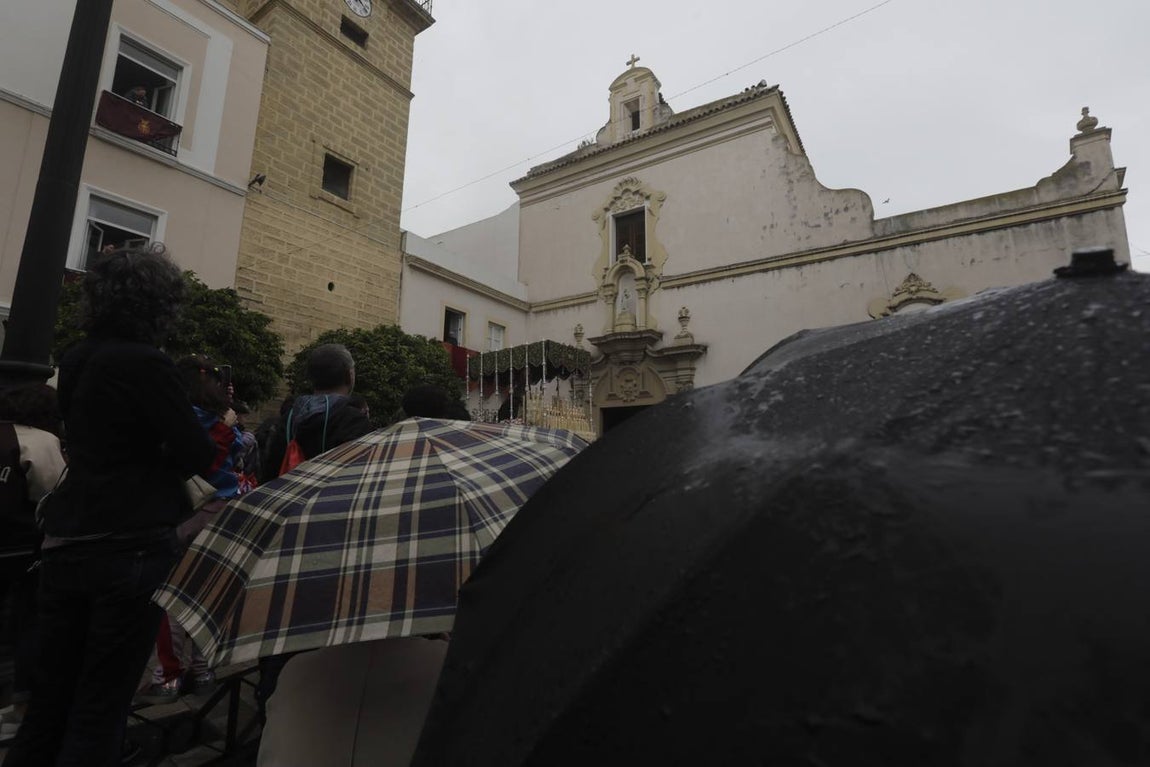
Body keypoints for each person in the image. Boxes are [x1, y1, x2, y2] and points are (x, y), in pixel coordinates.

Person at [3, 243, 214, 767]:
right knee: (101, 705)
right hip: (131, 543)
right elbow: (197, 452)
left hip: (69, 539)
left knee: (53, 700)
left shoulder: (75, 359)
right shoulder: (148, 362)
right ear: (159, 304)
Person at [254, 344, 373, 718]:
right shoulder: (353, 420)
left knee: (278, 621)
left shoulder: (284, 417)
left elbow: (266, 471)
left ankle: (269, 702)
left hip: (283, 531)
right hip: (330, 537)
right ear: (350, 377)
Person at [139, 356, 245, 704]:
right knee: (205, 592)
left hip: (185, 512)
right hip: (222, 509)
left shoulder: (174, 418)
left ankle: (169, 673)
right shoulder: (219, 422)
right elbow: (233, 453)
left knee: (170, 594)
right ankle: (202, 668)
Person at [0, 384, 66, 740]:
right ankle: (20, 705)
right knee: (28, 622)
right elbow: (54, 492)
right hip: (22, 550)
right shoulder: (39, 441)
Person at [260, 344, 373, 479]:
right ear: (350, 376)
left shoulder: (288, 418)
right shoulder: (354, 421)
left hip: (288, 495)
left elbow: (269, 471)